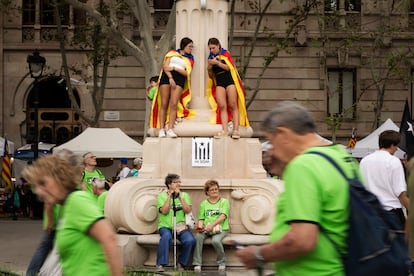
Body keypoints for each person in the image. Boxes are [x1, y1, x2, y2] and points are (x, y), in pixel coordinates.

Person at [236, 101, 356, 275]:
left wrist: (259, 254)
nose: (272, 151)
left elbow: (302, 240)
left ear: (283, 134)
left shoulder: (304, 166)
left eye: (271, 142)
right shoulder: (342, 157)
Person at [22, 153, 123, 276]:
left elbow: (109, 239)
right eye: (35, 185)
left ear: (60, 177)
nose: (38, 191)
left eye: (43, 183)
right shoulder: (67, 204)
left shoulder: (77, 200)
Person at [360, 130, 409, 229]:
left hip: (369, 211)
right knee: (397, 243)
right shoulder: (394, 161)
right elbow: (400, 192)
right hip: (390, 212)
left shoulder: (364, 161)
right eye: (396, 146)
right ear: (392, 145)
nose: (396, 149)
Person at [150, 37, 195, 138]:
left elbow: (187, 73)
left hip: (179, 79)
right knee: (164, 103)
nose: (191, 48)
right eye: (190, 46)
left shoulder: (190, 58)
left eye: (192, 47)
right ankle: (161, 129)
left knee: (174, 103)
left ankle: (170, 128)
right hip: (167, 77)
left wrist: (174, 68)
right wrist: (170, 77)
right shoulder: (172, 53)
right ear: (184, 45)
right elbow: (165, 67)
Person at [206, 37, 250, 139]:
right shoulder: (210, 57)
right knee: (222, 106)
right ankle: (225, 130)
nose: (212, 50)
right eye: (210, 49)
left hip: (229, 80)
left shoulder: (225, 54)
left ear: (218, 46)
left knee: (233, 104)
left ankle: (236, 130)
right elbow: (211, 75)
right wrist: (209, 67)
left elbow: (229, 67)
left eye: (213, 48)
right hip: (219, 81)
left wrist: (217, 63)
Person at [156, 173, 196, 272]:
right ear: (169, 184)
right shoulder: (161, 196)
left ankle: (181, 263)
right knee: (166, 237)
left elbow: (188, 210)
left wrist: (180, 198)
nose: (178, 184)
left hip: (180, 226)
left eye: (179, 182)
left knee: (190, 240)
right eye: (175, 182)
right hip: (166, 226)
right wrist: (169, 197)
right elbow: (164, 211)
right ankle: (161, 264)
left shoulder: (185, 195)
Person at [192, 179, 230, 272]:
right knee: (198, 237)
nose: (215, 191)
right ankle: (197, 263)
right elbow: (201, 218)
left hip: (221, 229)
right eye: (212, 190)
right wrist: (200, 228)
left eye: (216, 189)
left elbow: (223, 216)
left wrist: (212, 225)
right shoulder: (203, 204)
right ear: (207, 192)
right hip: (207, 229)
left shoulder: (224, 202)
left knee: (216, 241)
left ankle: (221, 262)